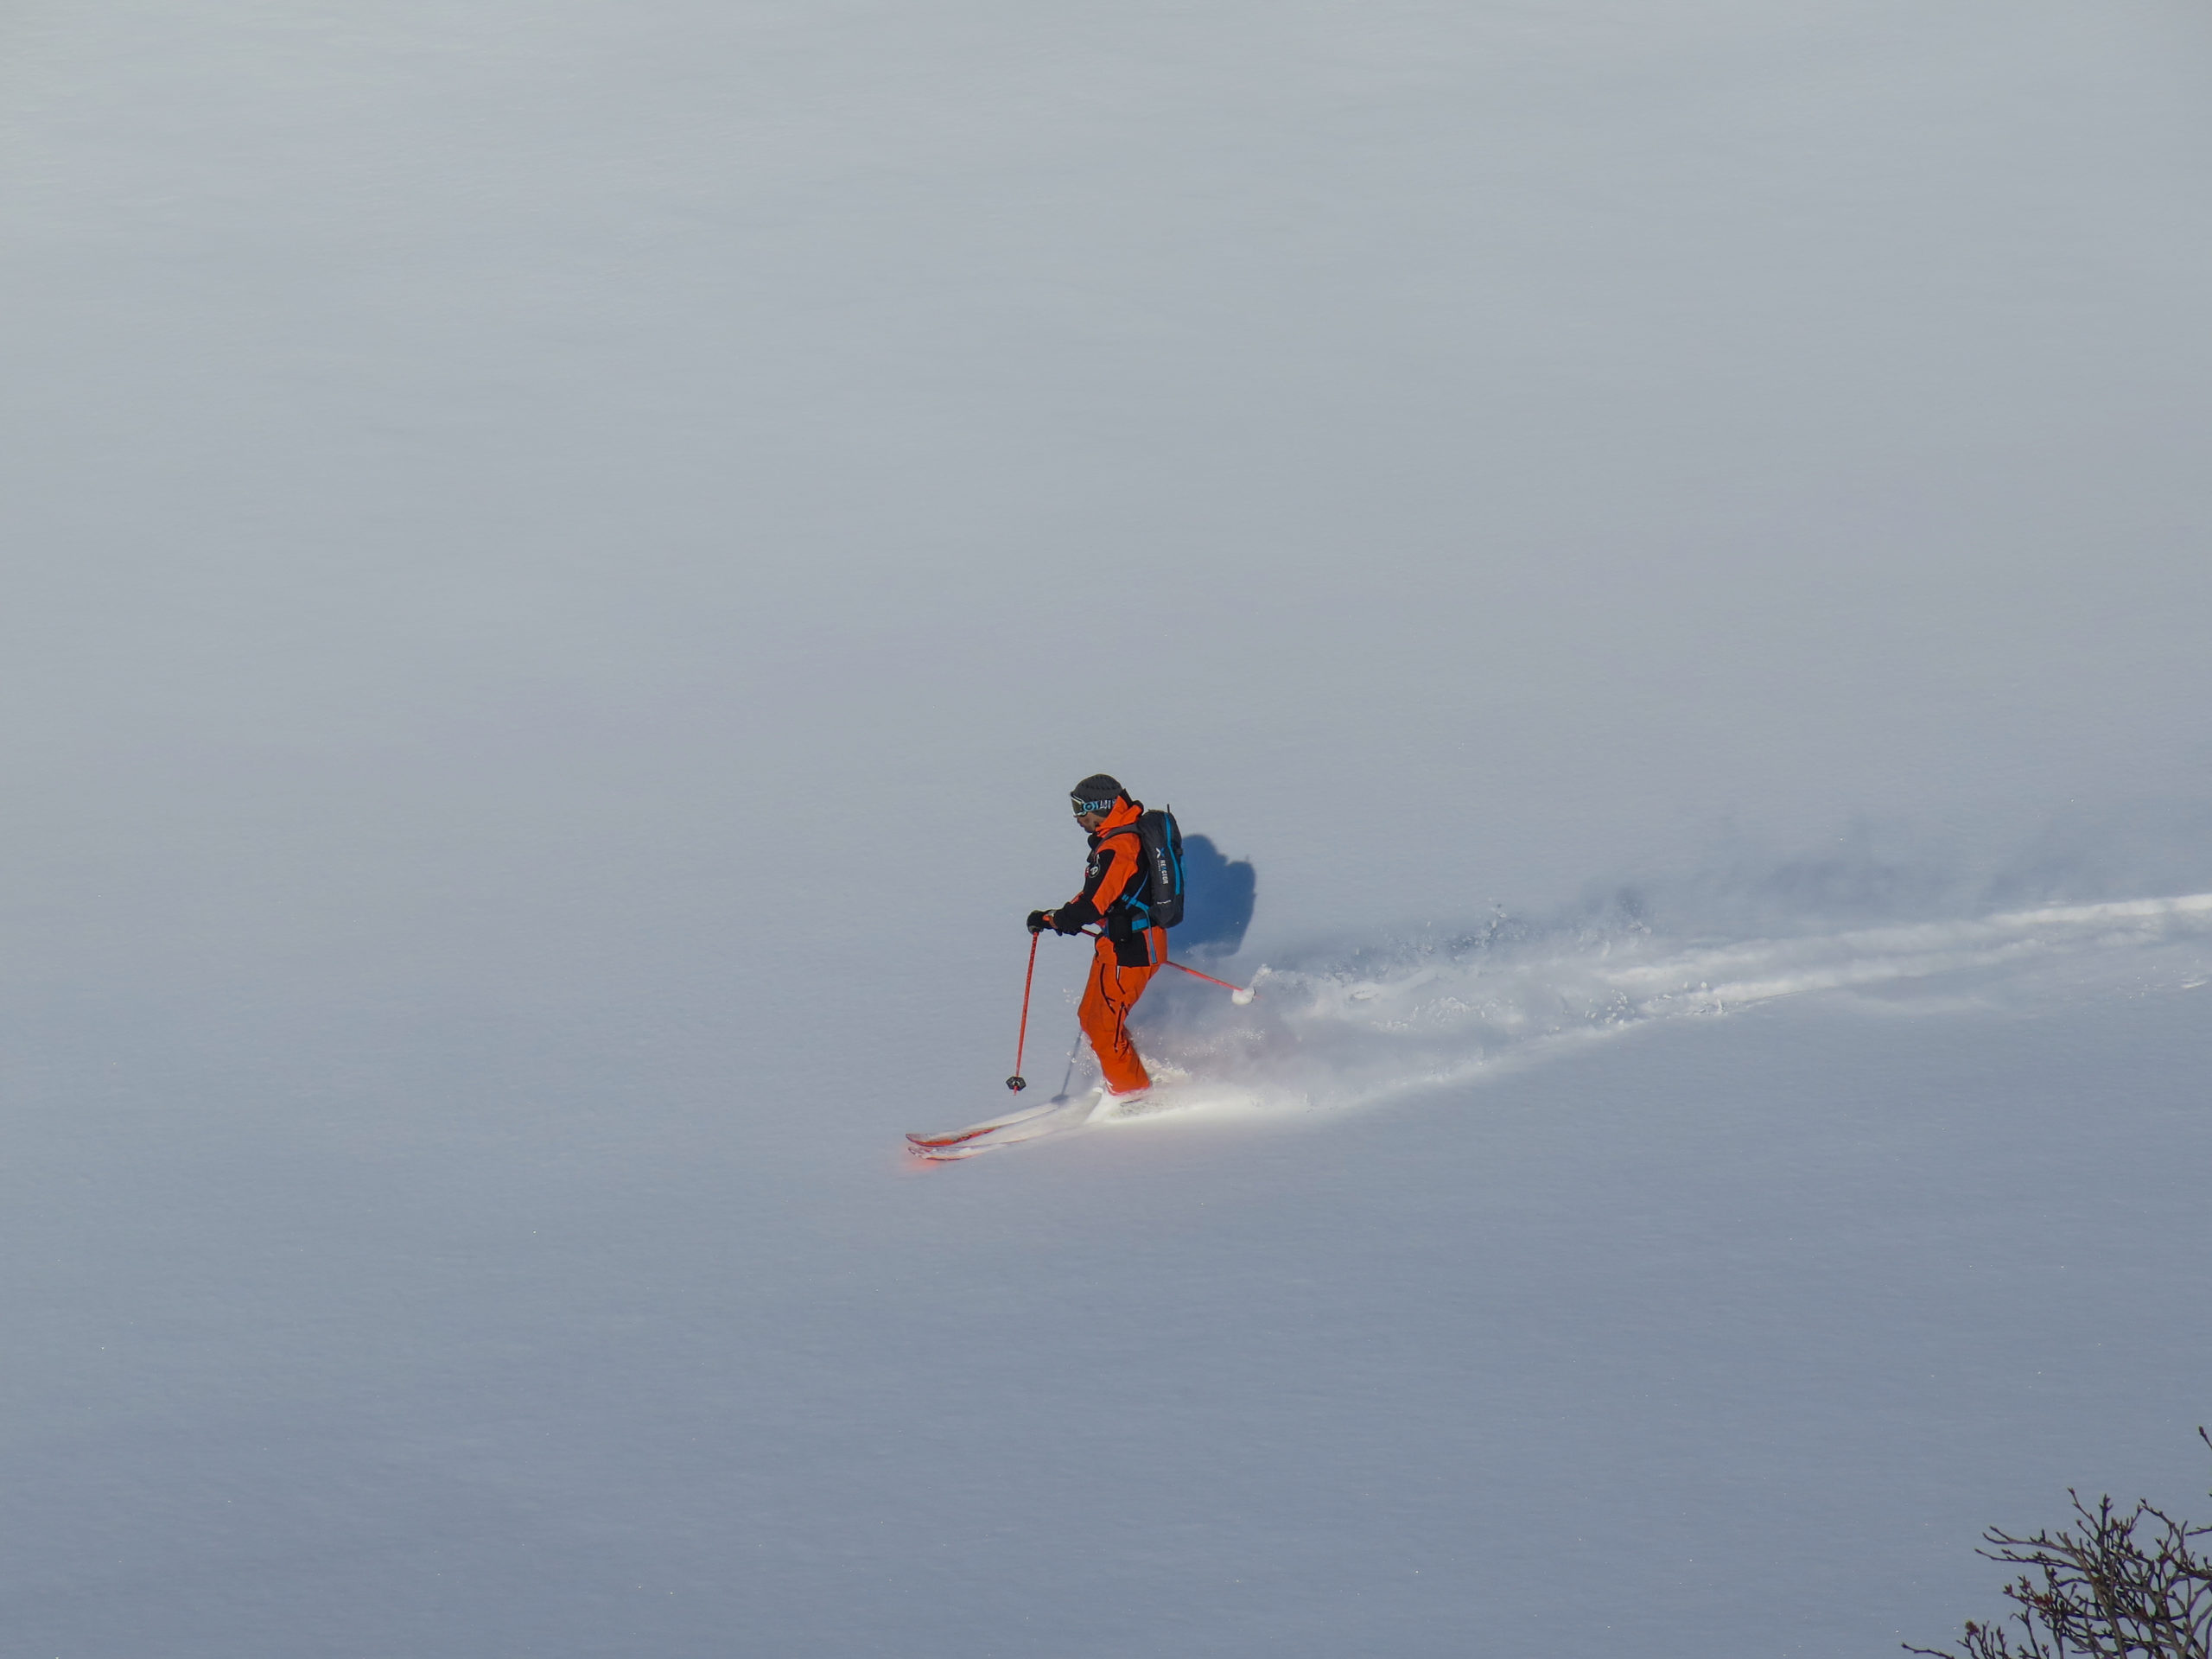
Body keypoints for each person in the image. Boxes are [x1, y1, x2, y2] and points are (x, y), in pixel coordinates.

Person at [1027, 774, 1163, 1103]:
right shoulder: (1115, 838)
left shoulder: (1119, 846)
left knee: (1103, 1029)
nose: (1076, 817)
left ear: (1100, 807)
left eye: (1080, 809)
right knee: (1091, 1017)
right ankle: (1127, 1073)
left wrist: (1056, 919)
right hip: (1115, 943)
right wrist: (1057, 916)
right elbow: (1096, 895)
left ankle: (1133, 1098)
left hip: (1132, 949)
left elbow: (1092, 904)